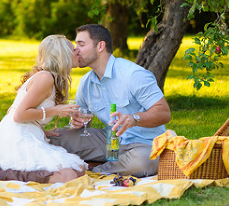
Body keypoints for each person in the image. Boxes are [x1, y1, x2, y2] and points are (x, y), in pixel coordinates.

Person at [47, 24, 171, 177]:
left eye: (81, 44)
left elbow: (164, 113)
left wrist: (134, 118)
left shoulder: (133, 74)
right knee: (53, 138)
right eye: (75, 44)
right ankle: (99, 166)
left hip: (144, 144)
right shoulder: (86, 82)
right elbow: (83, 125)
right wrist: (76, 124)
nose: (75, 50)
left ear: (100, 46)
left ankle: (92, 169)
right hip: (108, 141)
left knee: (141, 162)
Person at [0, 35, 87, 183]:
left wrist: (42, 131)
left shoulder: (49, 78)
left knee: (79, 169)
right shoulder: (45, 78)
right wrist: (55, 111)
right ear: (63, 55)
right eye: (73, 49)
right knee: (69, 174)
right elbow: (18, 115)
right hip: (18, 138)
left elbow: (13, 110)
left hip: (26, 134)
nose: (77, 52)